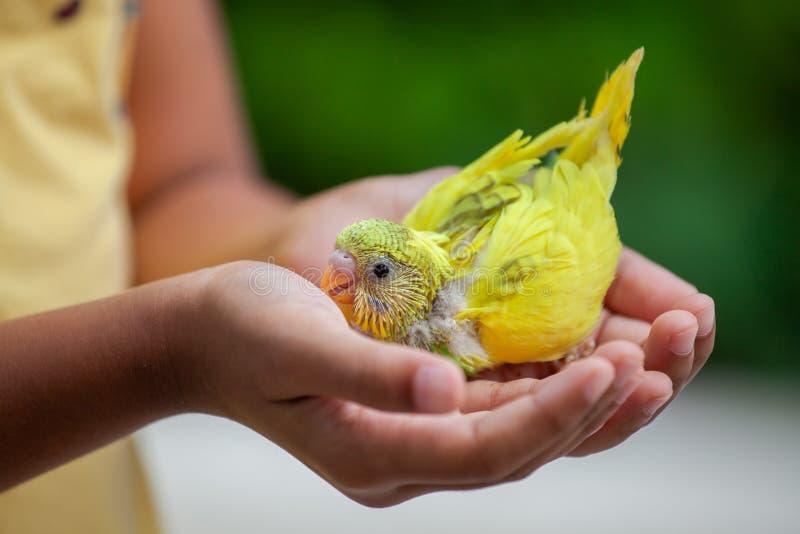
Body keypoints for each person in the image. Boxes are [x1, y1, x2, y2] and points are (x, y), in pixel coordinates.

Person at [0, 1, 716, 532]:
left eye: (369, 271)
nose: (335, 278)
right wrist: (172, 353)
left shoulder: (496, 314)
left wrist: (280, 242)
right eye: (347, 265)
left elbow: (174, 186)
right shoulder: (467, 321)